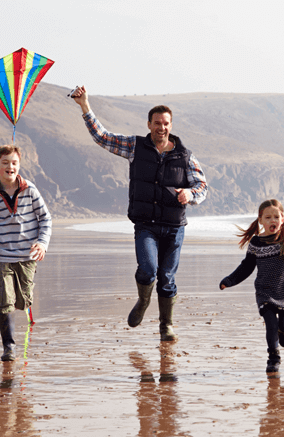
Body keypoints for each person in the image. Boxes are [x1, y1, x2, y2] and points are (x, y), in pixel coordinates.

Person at [70, 86, 208, 342]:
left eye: (166, 123)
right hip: (146, 225)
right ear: (149, 124)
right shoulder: (135, 146)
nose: (161, 127)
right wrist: (84, 106)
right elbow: (103, 138)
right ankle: (143, 302)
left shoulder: (185, 156)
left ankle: (166, 325)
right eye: (157, 123)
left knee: (167, 278)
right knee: (148, 270)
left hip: (174, 227)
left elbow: (202, 185)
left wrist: (190, 195)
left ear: (170, 125)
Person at [219, 199, 284, 373]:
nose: (272, 220)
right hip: (264, 292)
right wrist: (229, 280)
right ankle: (273, 358)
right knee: (270, 324)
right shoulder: (255, 243)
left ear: (282, 219)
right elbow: (246, 267)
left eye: (276, 216)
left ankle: (283, 332)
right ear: (260, 220)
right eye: (268, 217)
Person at [0, 144, 52, 362]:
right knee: (4, 300)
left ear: (19, 165)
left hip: (27, 256)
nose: (10, 167)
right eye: (5, 163)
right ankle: (9, 346)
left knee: (22, 301)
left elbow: (45, 219)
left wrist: (42, 243)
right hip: (1, 256)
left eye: (14, 162)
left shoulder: (31, 190)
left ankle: (23, 307)